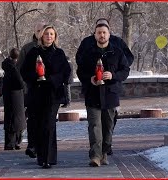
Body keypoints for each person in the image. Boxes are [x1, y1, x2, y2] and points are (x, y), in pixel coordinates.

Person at [76, 18, 134, 156]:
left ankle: (106, 149)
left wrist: (113, 75)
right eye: (99, 32)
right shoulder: (87, 47)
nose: (102, 35)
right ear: (94, 33)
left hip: (110, 92)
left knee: (108, 125)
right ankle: (96, 155)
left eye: (104, 32)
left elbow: (126, 67)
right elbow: (80, 67)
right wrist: (89, 78)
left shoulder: (118, 48)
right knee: (95, 125)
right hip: (92, 92)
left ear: (109, 33)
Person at [21, 25, 71, 169]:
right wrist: (36, 77)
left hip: (53, 94)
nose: (49, 36)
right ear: (41, 36)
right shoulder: (33, 52)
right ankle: (41, 156)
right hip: (37, 93)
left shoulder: (59, 53)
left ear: (55, 37)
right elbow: (24, 72)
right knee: (38, 124)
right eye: (46, 34)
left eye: (51, 34)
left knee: (49, 124)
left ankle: (48, 158)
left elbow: (66, 73)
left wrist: (51, 79)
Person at [18, 22, 46, 158]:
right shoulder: (28, 48)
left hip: (47, 90)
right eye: (39, 30)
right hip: (31, 89)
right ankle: (32, 145)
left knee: (45, 119)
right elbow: (19, 69)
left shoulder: (52, 48)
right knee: (32, 118)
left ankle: (43, 146)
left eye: (44, 30)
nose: (41, 33)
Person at [2, 48, 26, 150]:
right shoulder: (14, 67)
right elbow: (20, 81)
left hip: (9, 94)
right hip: (16, 95)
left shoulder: (6, 66)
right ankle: (15, 142)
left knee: (10, 117)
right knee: (17, 119)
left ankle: (10, 142)